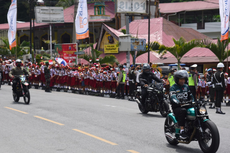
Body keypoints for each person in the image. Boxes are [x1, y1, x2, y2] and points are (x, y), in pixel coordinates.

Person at [170, 70, 194, 139]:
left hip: (186, 105)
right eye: (181, 79)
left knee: (197, 109)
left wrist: (193, 101)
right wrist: (177, 102)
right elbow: (173, 97)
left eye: (183, 79)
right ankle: (182, 131)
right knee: (183, 111)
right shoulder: (173, 87)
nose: (182, 81)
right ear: (177, 79)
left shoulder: (186, 87)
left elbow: (191, 96)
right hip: (177, 107)